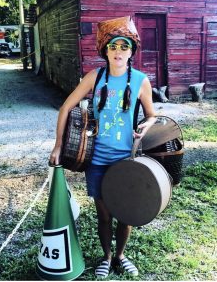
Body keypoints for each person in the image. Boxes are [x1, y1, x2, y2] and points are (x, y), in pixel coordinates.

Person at [49, 16, 156, 278]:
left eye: (124, 46)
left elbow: (152, 115)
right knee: (104, 215)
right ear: (105, 50)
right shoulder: (94, 77)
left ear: (132, 50)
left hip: (126, 160)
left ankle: (121, 255)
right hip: (97, 159)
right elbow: (66, 107)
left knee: (126, 213)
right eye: (113, 46)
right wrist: (58, 146)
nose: (118, 51)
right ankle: (107, 257)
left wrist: (146, 126)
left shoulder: (141, 81)